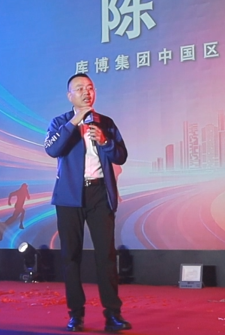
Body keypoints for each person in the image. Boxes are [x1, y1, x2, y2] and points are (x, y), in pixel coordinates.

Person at [44, 73, 131, 332]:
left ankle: (112, 314)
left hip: (99, 194)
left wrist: (104, 141)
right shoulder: (60, 122)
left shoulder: (106, 122)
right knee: (71, 256)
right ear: (69, 96)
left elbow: (121, 156)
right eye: (80, 88)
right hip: (69, 197)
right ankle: (76, 314)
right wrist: (75, 121)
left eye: (90, 88)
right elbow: (52, 149)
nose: (86, 92)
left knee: (106, 255)